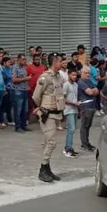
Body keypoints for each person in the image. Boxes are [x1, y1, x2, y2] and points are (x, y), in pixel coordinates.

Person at [32, 54, 64, 183]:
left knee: (47, 142)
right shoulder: (45, 77)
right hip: (47, 114)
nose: (63, 63)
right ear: (55, 62)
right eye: (61, 61)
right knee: (51, 142)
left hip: (56, 113)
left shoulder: (58, 77)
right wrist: (41, 107)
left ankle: (47, 169)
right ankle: (43, 168)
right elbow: (36, 96)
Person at [77, 66, 99, 151]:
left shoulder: (88, 81)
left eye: (89, 73)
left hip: (92, 106)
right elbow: (90, 92)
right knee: (84, 126)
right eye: (85, 73)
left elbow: (97, 91)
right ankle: (84, 144)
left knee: (88, 126)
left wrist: (93, 91)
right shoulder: (81, 82)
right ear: (81, 73)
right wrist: (93, 91)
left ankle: (87, 142)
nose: (87, 74)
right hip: (85, 107)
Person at [11, 54, 31, 133]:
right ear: (18, 59)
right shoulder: (14, 67)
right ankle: (18, 127)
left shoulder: (24, 67)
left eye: (25, 59)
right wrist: (26, 78)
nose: (25, 61)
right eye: (23, 59)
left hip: (24, 90)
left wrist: (27, 85)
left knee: (24, 109)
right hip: (17, 91)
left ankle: (23, 125)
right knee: (18, 110)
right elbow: (14, 79)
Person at [63, 69, 80, 158]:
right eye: (73, 75)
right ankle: (67, 149)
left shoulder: (76, 85)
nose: (74, 77)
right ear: (69, 74)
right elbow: (63, 99)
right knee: (71, 129)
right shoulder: (66, 85)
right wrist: (73, 103)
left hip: (75, 109)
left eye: (76, 75)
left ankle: (69, 147)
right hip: (68, 110)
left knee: (72, 129)